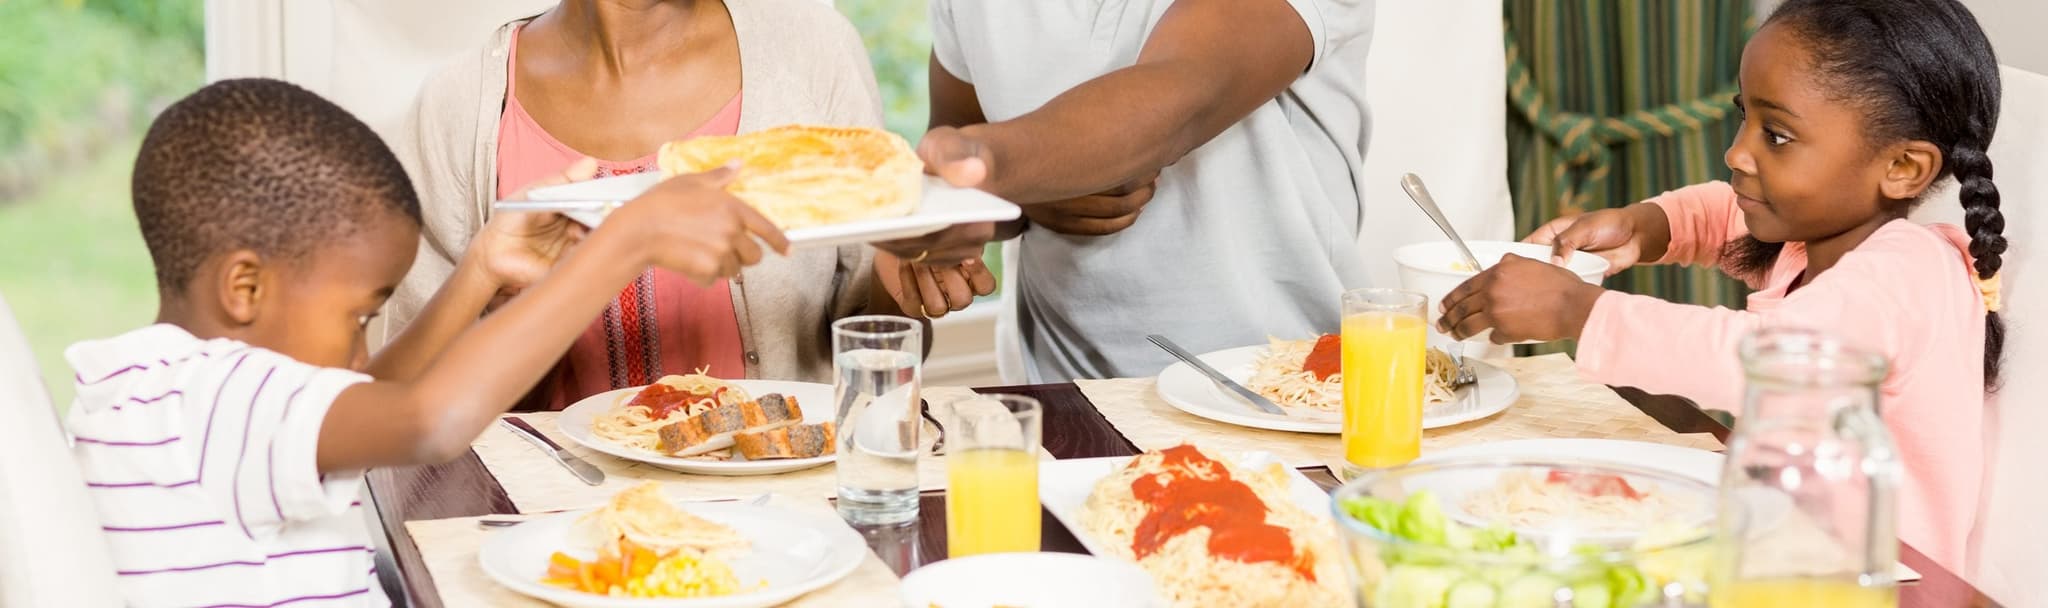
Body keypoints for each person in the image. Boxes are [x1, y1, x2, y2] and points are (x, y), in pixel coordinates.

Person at [64, 79, 782, 606]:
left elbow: (374, 402)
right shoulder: (224, 395)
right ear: (244, 288)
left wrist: (482, 271)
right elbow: (425, 421)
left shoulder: (162, 392)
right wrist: (623, 244)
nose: (359, 353)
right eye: (358, 318)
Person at [1436, 0, 2002, 571]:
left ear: (1903, 168)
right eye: (1743, 116)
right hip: (1783, 552)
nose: (1736, 152)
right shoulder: (1816, 241)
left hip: (1879, 580)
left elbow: (1757, 362)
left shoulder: (1907, 272)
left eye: (1776, 135)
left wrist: (1578, 311)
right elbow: (1720, 216)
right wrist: (1645, 226)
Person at [390, 0, 989, 409]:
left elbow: (876, 359)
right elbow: (405, 405)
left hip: (786, 520)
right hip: (550, 525)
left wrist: (901, 280)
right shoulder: (457, 106)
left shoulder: (813, 49)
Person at [877, 0, 1377, 382]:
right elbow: (960, 138)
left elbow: (1182, 95)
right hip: (1063, 397)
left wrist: (995, 167)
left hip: (1284, 392)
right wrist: (1003, 195)